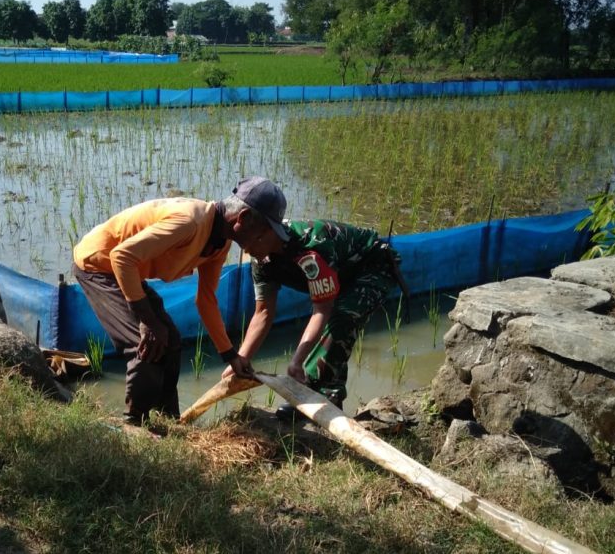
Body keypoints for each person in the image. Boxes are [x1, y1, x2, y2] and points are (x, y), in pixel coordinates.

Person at [72, 177, 289, 425]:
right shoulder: (189, 222)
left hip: (126, 269)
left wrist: (231, 356)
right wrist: (148, 321)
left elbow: (206, 300)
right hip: (98, 264)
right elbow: (121, 257)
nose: (264, 240)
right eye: (263, 232)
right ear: (243, 218)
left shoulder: (219, 243)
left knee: (171, 340)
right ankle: (135, 423)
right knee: (145, 343)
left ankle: (169, 419)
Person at [225, 219, 403, 418]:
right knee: (336, 323)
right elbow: (263, 312)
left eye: (250, 244)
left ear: (268, 233)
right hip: (338, 273)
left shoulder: (311, 247)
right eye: (243, 246)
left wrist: (296, 361)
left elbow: (322, 310)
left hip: (372, 266)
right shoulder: (262, 259)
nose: (248, 251)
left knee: (342, 317)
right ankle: (318, 392)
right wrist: (240, 359)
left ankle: (323, 396)